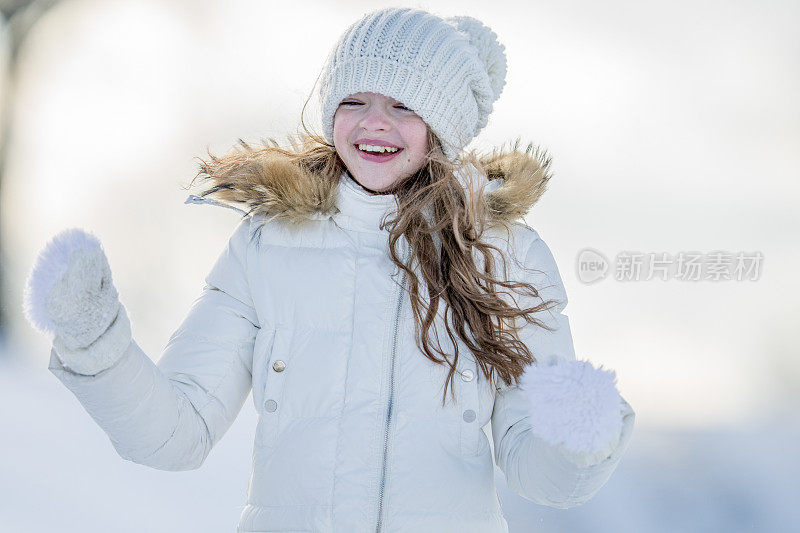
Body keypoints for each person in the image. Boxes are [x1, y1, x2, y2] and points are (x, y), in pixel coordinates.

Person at [22, 7, 635, 532]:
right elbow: (175, 435)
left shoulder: (502, 254)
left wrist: (580, 433)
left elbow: (540, 470)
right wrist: (94, 339)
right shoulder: (267, 246)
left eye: (404, 105)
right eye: (355, 100)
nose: (375, 122)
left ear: (443, 128)